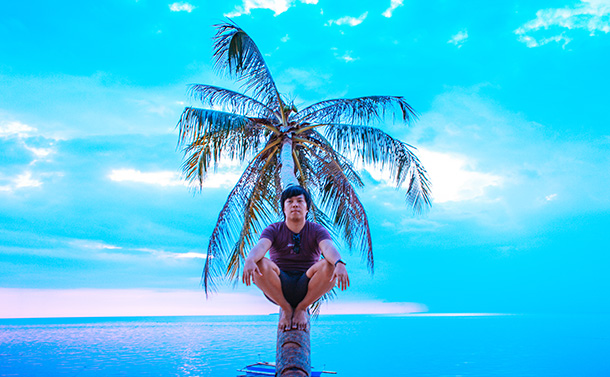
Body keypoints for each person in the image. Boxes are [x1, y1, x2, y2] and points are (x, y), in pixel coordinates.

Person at [242, 185, 349, 331]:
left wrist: (339, 263)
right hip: (278, 286)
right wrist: (250, 260)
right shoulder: (273, 229)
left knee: (330, 265)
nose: (295, 205)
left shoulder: (317, 230)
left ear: (307, 208)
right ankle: (286, 308)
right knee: (258, 263)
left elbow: (328, 248)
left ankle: (301, 308)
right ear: (284, 209)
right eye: (290, 202)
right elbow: (261, 247)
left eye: (300, 201)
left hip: (309, 286)